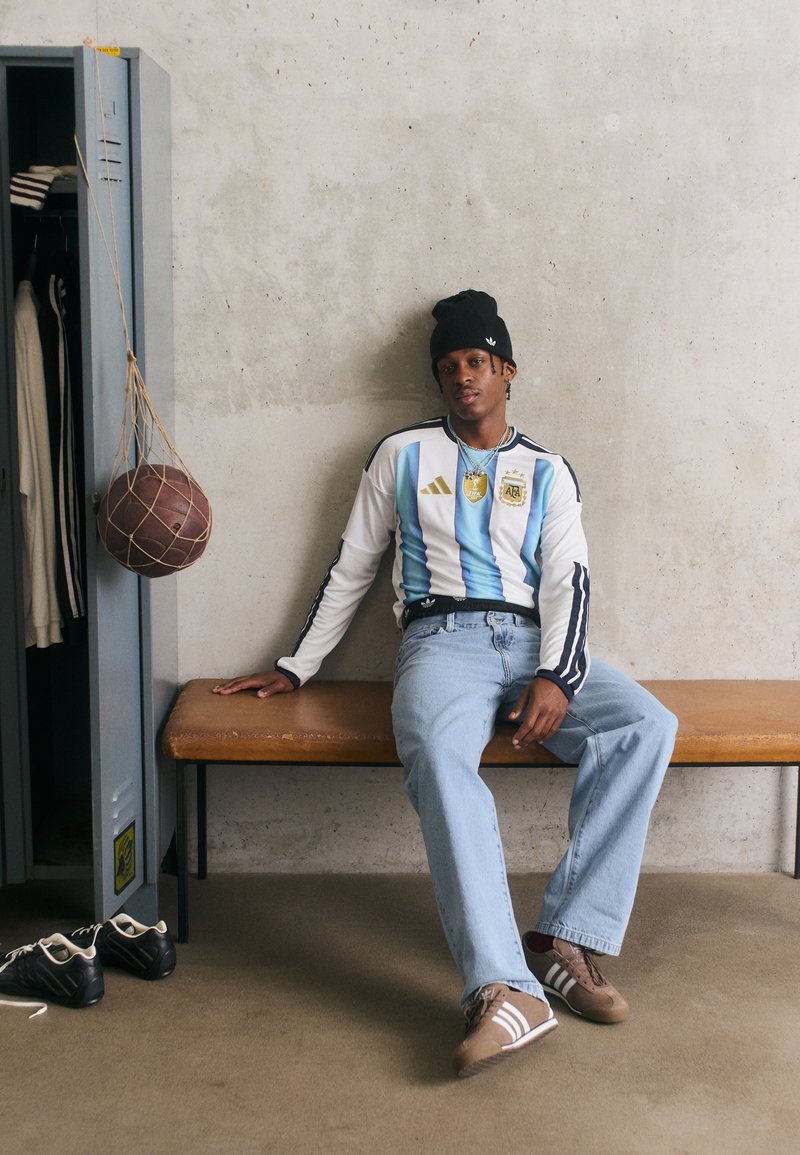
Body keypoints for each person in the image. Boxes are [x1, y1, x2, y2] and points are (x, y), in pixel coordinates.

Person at [214, 289, 678, 1079]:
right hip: (441, 640)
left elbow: (568, 580)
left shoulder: (548, 471)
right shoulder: (401, 454)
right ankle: (504, 986)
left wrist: (557, 675)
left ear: (507, 371)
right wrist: (297, 664)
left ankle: (565, 939)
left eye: (477, 360)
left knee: (645, 724)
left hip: (532, 641)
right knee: (435, 751)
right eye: (449, 365)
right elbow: (352, 566)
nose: (462, 375)